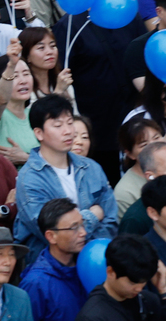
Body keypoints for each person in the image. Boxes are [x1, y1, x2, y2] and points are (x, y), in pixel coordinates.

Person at [14, 94, 116, 256]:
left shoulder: (91, 167)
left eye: (69, 123)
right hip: (51, 263)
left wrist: (89, 249)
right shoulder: (29, 179)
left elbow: (111, 219)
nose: (68, 131)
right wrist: (92, 216)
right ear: (39, 133)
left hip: (96, 256)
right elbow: (52, 233)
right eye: (58, 125)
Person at [73, 234, 164, 321]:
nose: (139, 288)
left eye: (144, 281)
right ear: (111, 272)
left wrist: (164, 292)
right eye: (132, 282)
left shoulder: (149, 301)